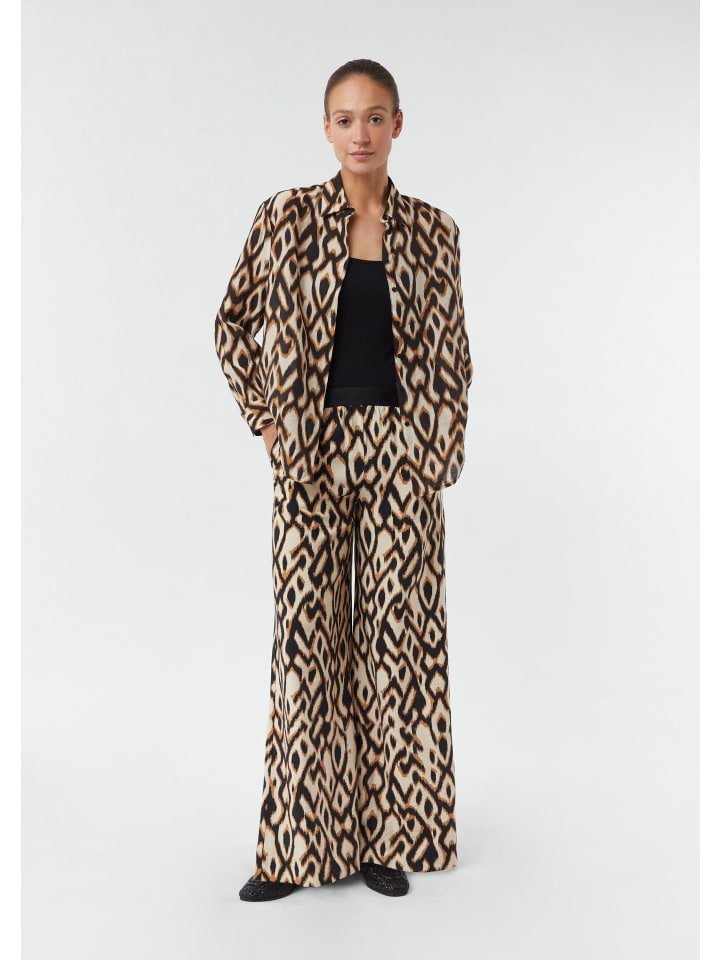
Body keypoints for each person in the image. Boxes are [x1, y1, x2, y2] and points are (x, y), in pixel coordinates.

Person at [214, 58, 473, 902]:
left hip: (401, 455)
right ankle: (295, 848)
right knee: (307, 647)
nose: (360, 133)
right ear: (326, 129)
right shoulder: (286, 217)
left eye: (375, 116)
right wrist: (266, 417)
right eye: (345, 118)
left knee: (400, 648)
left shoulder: (434, 231)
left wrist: (437, 452)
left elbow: (454, 353)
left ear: (398, 124)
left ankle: (387, 840)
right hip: (310, 452)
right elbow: (231, 322)